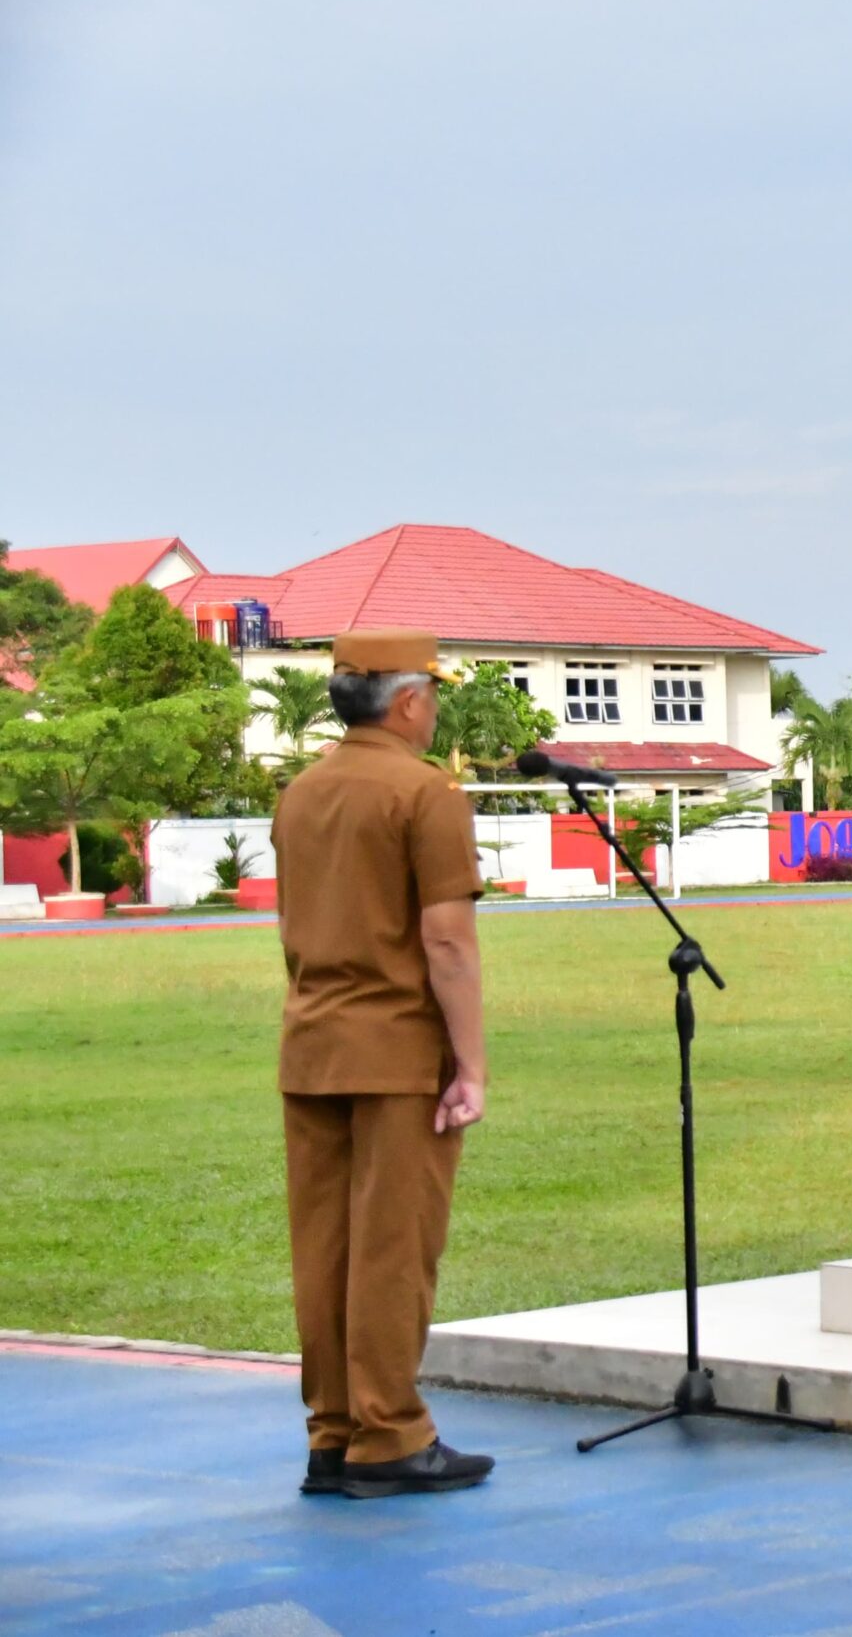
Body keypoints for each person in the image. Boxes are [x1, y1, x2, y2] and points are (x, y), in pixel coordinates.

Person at [272, 630, 493, 1499]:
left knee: (324, 1248)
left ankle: (333, 1431)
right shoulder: (425, 792)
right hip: (398, 1048)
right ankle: (391, 1431)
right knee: (394, 1247)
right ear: (407, 702)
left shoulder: (302, 792)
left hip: (312, 1043)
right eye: (430, 696)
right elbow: (447, 942)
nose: (432, 711)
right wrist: (470, 1065)